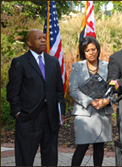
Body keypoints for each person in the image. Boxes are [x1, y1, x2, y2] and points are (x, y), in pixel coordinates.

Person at [6, 29, 66, 166]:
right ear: (29, 42)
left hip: (50, 118)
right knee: (25, 160)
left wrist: (61, 111)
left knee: (50, 159)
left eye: (44, 38)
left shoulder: (53, 62)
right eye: (39, 38)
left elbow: (59, 90)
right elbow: (12, 92)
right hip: (28, 118)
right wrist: (17, 113)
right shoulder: (19, 62)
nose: (43, 40)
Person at [69, 36, 113, 166]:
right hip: (84, 113)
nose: (91, 52)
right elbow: (73, 90)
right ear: (83, 52)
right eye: (87, 50)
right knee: (82, 147)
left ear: (98, 50)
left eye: (93, 49)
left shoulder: (108, 66)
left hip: (102, 112)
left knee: (99, 147)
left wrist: (106, 101)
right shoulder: (77, 67)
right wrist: (91, 101)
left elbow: (114, 87)